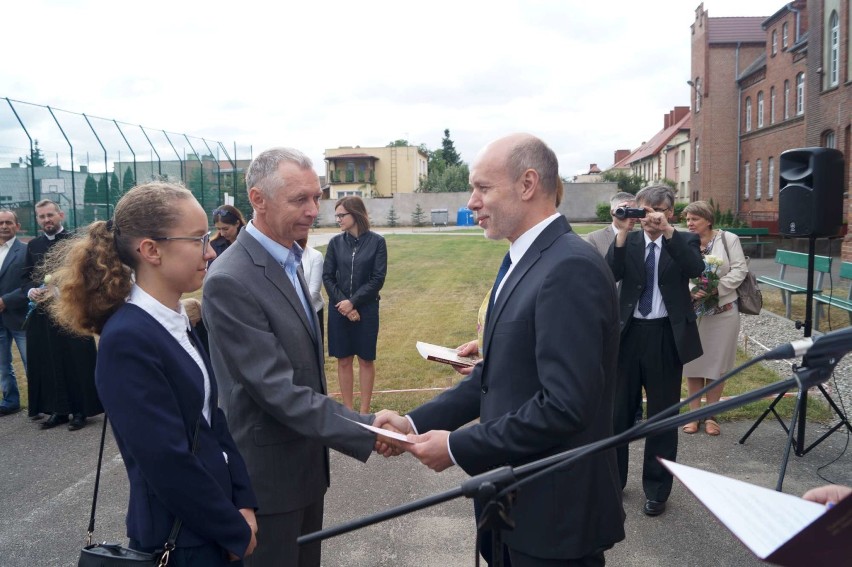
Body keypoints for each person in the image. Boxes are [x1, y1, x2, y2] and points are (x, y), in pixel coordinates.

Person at [376, 134, 625, 566]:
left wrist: (457, 446)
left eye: (483, 188)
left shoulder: (568, 267)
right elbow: (497, 379)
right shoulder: (520, 260)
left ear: (528, 184)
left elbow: (565, 406)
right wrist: (414, 422)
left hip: (553, 518)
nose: (472, 201)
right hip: (512, 507)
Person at [43, 182, 257, 565]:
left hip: (214, 521)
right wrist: (233, 528)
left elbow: (211, 420)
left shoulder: (175, 319)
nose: (209, 251)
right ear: (150, 250)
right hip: (181, 539)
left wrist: (244, 501)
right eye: (197, 239)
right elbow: (166, 461)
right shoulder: (127, 340)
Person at [202, 147, 378, 567]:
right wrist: (369, 429)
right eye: (300, 199)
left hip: (303, 471)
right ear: (258, 200)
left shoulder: (289, 259)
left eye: (316, 197)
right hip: (268, 481)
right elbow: (276, 389)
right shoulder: (230, 279)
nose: (314, 210)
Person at [606, 184, 704, 517]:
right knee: (618, 414)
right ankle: (613, 483)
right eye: (643, 210)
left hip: (665, 336)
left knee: (662, 417)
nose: (649, 219)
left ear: (669, 212)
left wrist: (669, 233)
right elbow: (610, 273)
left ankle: (657, 490)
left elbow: (695, 269)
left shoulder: (684, 240)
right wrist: (621, 233)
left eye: (656, 211)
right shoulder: (629, 240)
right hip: (628, 336)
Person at [23, 199, 101, 430]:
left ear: (61, 215)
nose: (46, 220)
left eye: (50, 215)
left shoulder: (75, 243)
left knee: (74, 361)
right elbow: (25, 278)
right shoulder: (33, 245)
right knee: (49, 361)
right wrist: (31, 290)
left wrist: (64, 289)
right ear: (38, 220)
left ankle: (80, 411)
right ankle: (58, 410)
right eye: (42, 217)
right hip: (43, 316)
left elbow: (89, 275)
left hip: (71, 311)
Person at [681, 201, 747, 436]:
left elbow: (740, 270)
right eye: (687, 219)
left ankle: (711, 417)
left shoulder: (728, 240)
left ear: (708, 220)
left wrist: (716, 289)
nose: (689, 223)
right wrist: (691, 288)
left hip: (723, 312)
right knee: (694, 365)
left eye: (694, 219)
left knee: (717, 367)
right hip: (693, 314)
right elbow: (677, 270)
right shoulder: (683, 240)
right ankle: (693, 416)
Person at [323, 196, 387, 413]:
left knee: (366, 360)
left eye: (342, 215)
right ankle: (349, 410)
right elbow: (328, 277)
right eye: (337, 216)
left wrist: (353, 302)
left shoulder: (377, 242)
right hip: (339, 310)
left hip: (367, 309)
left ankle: (364, 412)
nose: (338, 219)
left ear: (355, 214)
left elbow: (377, 279)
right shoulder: (335, 243)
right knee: (343, 360)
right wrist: (344, 305)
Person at [0, 210, 28, 416]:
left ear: (17, 226)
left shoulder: (26, 251)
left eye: (8, 222)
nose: (3, 226)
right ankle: (10, 401)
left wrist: (5, 301)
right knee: (2, 365)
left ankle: (38, 402)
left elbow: (30, 284)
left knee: (30, 362)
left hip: (19, 317)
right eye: (0, 223)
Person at [586, 192, 637, 256]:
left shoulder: (642, 235)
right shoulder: (594, 238)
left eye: (634, 212)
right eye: (626, 212)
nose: (632, 217)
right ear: (612, 212)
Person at [297, 237, 324, 342]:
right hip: (289, 312)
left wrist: (296, 308)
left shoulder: (315, 255)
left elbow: (314, 290)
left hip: (313, 311)